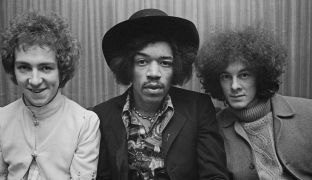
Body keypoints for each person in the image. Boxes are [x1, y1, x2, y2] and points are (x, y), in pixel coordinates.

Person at [92, 8, 230, 180]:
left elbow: (214, 175)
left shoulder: (198, 108)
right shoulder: (101, 116)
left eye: (165, 63)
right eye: (142, 62)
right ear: (128, 67)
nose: (154, 73)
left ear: (176, 68)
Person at [0, 11, 100, 179]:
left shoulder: (85, 123)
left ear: (62, 70)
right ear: (12, 69)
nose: (34, 81)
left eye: (45, 68)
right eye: (24, 67)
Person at [195, 27, 312, 180]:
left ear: (260, 76)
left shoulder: (308, 113)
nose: (234, 86)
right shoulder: (214, 129)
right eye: (226, 77)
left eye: (244, 75)